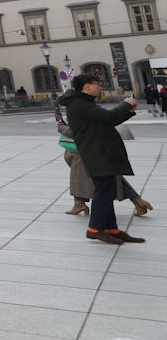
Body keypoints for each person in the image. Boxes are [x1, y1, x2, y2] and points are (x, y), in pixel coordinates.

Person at [62, 73, 146, 245]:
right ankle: (95, 229)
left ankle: (111, 229)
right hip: (96, 152)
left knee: (107, 190)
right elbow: (109, 117)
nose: (100, 87)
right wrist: (126, 104)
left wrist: (128, 111)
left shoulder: (84, 103)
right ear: (86, 86)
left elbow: (106, 121)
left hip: (100, 151)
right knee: (103, 191)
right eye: (97, 84)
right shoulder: (79, 104)